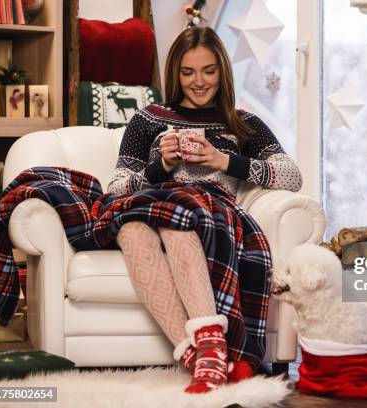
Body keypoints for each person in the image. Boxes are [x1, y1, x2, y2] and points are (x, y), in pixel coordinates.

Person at [107, 27, 302, 393]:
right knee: (130, 227)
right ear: (175, 74)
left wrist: (223, 160)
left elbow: (292, 176)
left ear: (222, 72)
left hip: (212, 212)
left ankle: (207, 349)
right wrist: (158, 169)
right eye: (188, 72)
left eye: (208, 71)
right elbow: (116, 189)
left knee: (176, 216)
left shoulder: (243, 124)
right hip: (155, 205)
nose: (199, 82)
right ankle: (203, 354)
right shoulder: (148, 119)